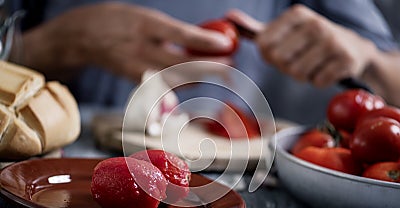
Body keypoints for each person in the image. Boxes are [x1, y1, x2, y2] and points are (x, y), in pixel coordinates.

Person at [8, 1, 400, 124]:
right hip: (51, 165)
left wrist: (366, 58)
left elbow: (393, 78)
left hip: (230, 179)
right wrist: (58, 44)